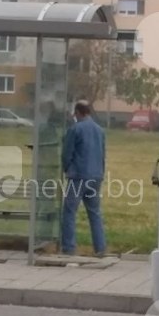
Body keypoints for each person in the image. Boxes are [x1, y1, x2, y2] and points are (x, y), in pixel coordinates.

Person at [61, 100, 106, 256]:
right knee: (94, 212)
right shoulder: (100, 130)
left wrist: (67, 168)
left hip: (78, 176)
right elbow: (103, 154)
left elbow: (67, 153)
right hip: (96, 176)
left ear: (78, 112)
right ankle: (100, 248)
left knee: (69, 211)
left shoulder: (75, 129)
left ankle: (69, 248)